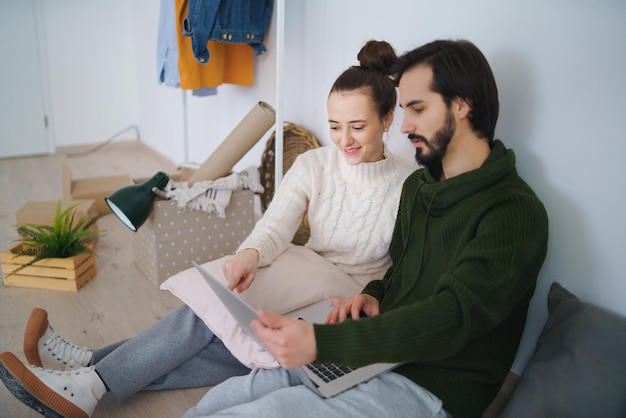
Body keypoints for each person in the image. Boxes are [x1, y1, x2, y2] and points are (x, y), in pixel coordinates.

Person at [0, 40, 415, 418]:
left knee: (224, 334)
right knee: (221, 328)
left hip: (347, 300)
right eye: (335, 126)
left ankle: (89, 370)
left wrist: (368, 299)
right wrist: (249, 254)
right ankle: (88, 377)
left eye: (357, 126)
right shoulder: (314, 164)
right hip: (304, 273)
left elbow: (407, 265)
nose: (344, 139)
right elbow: (275, 223)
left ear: (388, 119)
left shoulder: (411, 183)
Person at [180, 39, 550, 418]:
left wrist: (326, 342)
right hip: (371, 356)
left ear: (463, 103)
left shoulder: (513, 212)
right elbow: (400, 273)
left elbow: (452, 317)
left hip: (426, 387)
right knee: (230, 397)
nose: (404, 126)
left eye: (417, 109)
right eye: (404, 110)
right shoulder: (420, 188)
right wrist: (373, 295)